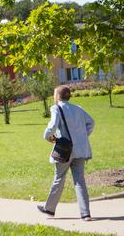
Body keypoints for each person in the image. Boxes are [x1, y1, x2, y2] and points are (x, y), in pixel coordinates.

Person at [38, 85, 95, 221]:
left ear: (58, 96)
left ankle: (50, 209)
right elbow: (91, 122)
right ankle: (85, 213)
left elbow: (52, 125)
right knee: (80, 182)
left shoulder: (56, 108)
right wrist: (82, 136)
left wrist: (47, 136)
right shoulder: (78, 109)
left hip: (65, 151)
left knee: (59, 178)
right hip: (81, 150)